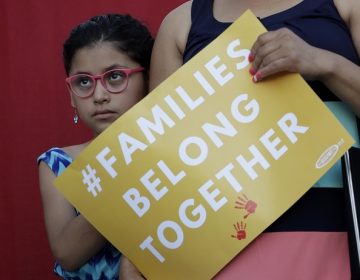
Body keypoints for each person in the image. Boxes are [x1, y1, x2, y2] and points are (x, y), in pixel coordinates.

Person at [144, 0, 360, 279]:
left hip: (341, 237)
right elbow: (160, 163)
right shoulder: (180, 24)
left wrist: (325, 63)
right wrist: (140, 252)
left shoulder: (345, 4)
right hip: (225, 250)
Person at [37, 14, 153, 280]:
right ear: (71, 96)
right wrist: (128, 175)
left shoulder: (183, 148)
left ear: (148, 80)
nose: (99, 96)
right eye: (84, 82)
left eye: (115, 77)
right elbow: (67, 253)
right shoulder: (58, 163)